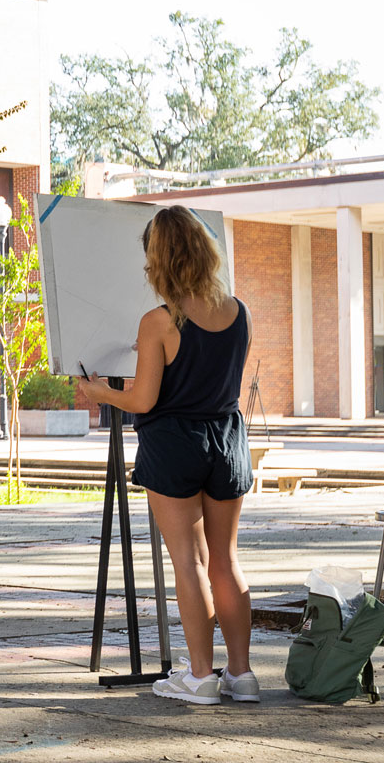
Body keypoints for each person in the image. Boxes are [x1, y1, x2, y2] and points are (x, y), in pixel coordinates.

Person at [75, 206, 256, 706]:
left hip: (175, 444)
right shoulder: (237, 312)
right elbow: (213, 381)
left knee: (188, 562)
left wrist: (100, 393)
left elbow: (144, 400)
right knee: (224, 560)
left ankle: (200, 678)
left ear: (160, 258)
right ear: (202, 248)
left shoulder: (160, 321)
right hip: (226, 441)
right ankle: (241, 676)